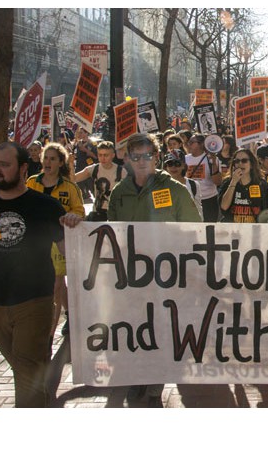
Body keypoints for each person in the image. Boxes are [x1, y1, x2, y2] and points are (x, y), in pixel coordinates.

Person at [102, 133, 202, 407]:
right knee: (136, 328)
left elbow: (195, 230)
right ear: (128, 159)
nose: (142, 161)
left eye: (147, 156)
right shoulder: (120, 192)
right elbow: (112, 232)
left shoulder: (175, 190)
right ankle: (138, 376)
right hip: (132, 276)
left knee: (162, 328)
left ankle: (155, 383)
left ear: (156, 158)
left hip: (166, 276)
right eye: (136, 157)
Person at [0, 142, 69, 407]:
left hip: (33, 302)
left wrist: (75, 226)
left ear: (23, 169)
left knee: (27, 371)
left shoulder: (45, 207)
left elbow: (70, 251)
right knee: (25, 368)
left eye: (4, 164)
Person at [26, 143, 85, 339]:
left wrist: (71, 217)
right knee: (57, 286)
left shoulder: (69, 187)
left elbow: (79, 211)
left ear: (61, 162)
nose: (48, 162)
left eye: (53, 159)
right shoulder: (32, 183)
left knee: (56, 285)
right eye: (46, 158)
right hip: (35, 243)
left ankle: (48, 334)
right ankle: (70, 314)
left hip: (59, 242)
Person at [71, 140, 127, 221]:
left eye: (106, 155)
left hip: (115, 214)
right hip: (97, 213)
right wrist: (70, 164)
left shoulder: (121, 171)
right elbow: (73, 179)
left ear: (113, 155)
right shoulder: (94, 169)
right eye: (100, 155)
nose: (103, 158)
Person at [219, 148, 268, 223]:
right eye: (237, 161)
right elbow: (224, 207)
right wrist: (233, 182)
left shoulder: (261, 184)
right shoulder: (227, 183)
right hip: (232, 230)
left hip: (254, 230)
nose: (240, 164)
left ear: (251, 164)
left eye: (244, 161)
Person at [185, 133, 222, 222]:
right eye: (188, 142)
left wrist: (213, 163)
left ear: (202, 144)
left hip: (209, 200)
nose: (188, 144)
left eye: (192, 142)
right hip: (191, 200)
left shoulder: (212, 159)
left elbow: (217, 182)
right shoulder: (185, 159)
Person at [163, 148, 203, 220]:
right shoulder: (160, 186)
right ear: (165, 167)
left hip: (189, 225)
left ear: (184, 166)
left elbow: (198, 209)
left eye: (177, 164)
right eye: (170, 164)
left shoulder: (194, 185)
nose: (173, 167)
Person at [72, 127, 98, 201]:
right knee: (79, 184)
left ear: (86, 133)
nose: (80, 134)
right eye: (79, 132)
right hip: (79, 167)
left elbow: (95, 156)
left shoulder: (93, 143)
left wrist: (85, 150)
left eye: (81, 132)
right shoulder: (78, 143)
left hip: (88, 168)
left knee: (91, 186)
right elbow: (76, 154)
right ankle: (84, 195)